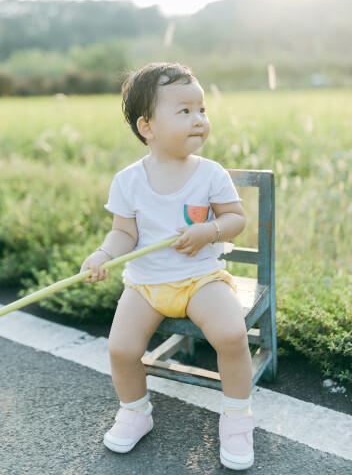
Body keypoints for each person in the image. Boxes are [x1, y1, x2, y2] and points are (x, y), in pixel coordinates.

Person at [80, 62, 254, 470]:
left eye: (202, 110)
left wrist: (210, 230)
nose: (199, 120)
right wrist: (103, 255)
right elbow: (123, 234)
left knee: (231, 334)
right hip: (145, 284)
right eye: (184, 111)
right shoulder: (127, 181)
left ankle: (237, 417)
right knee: (121, 348)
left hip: (201, 279)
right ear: (147, 127)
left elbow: (236, 219)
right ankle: (136, 411)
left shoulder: (211, 174)